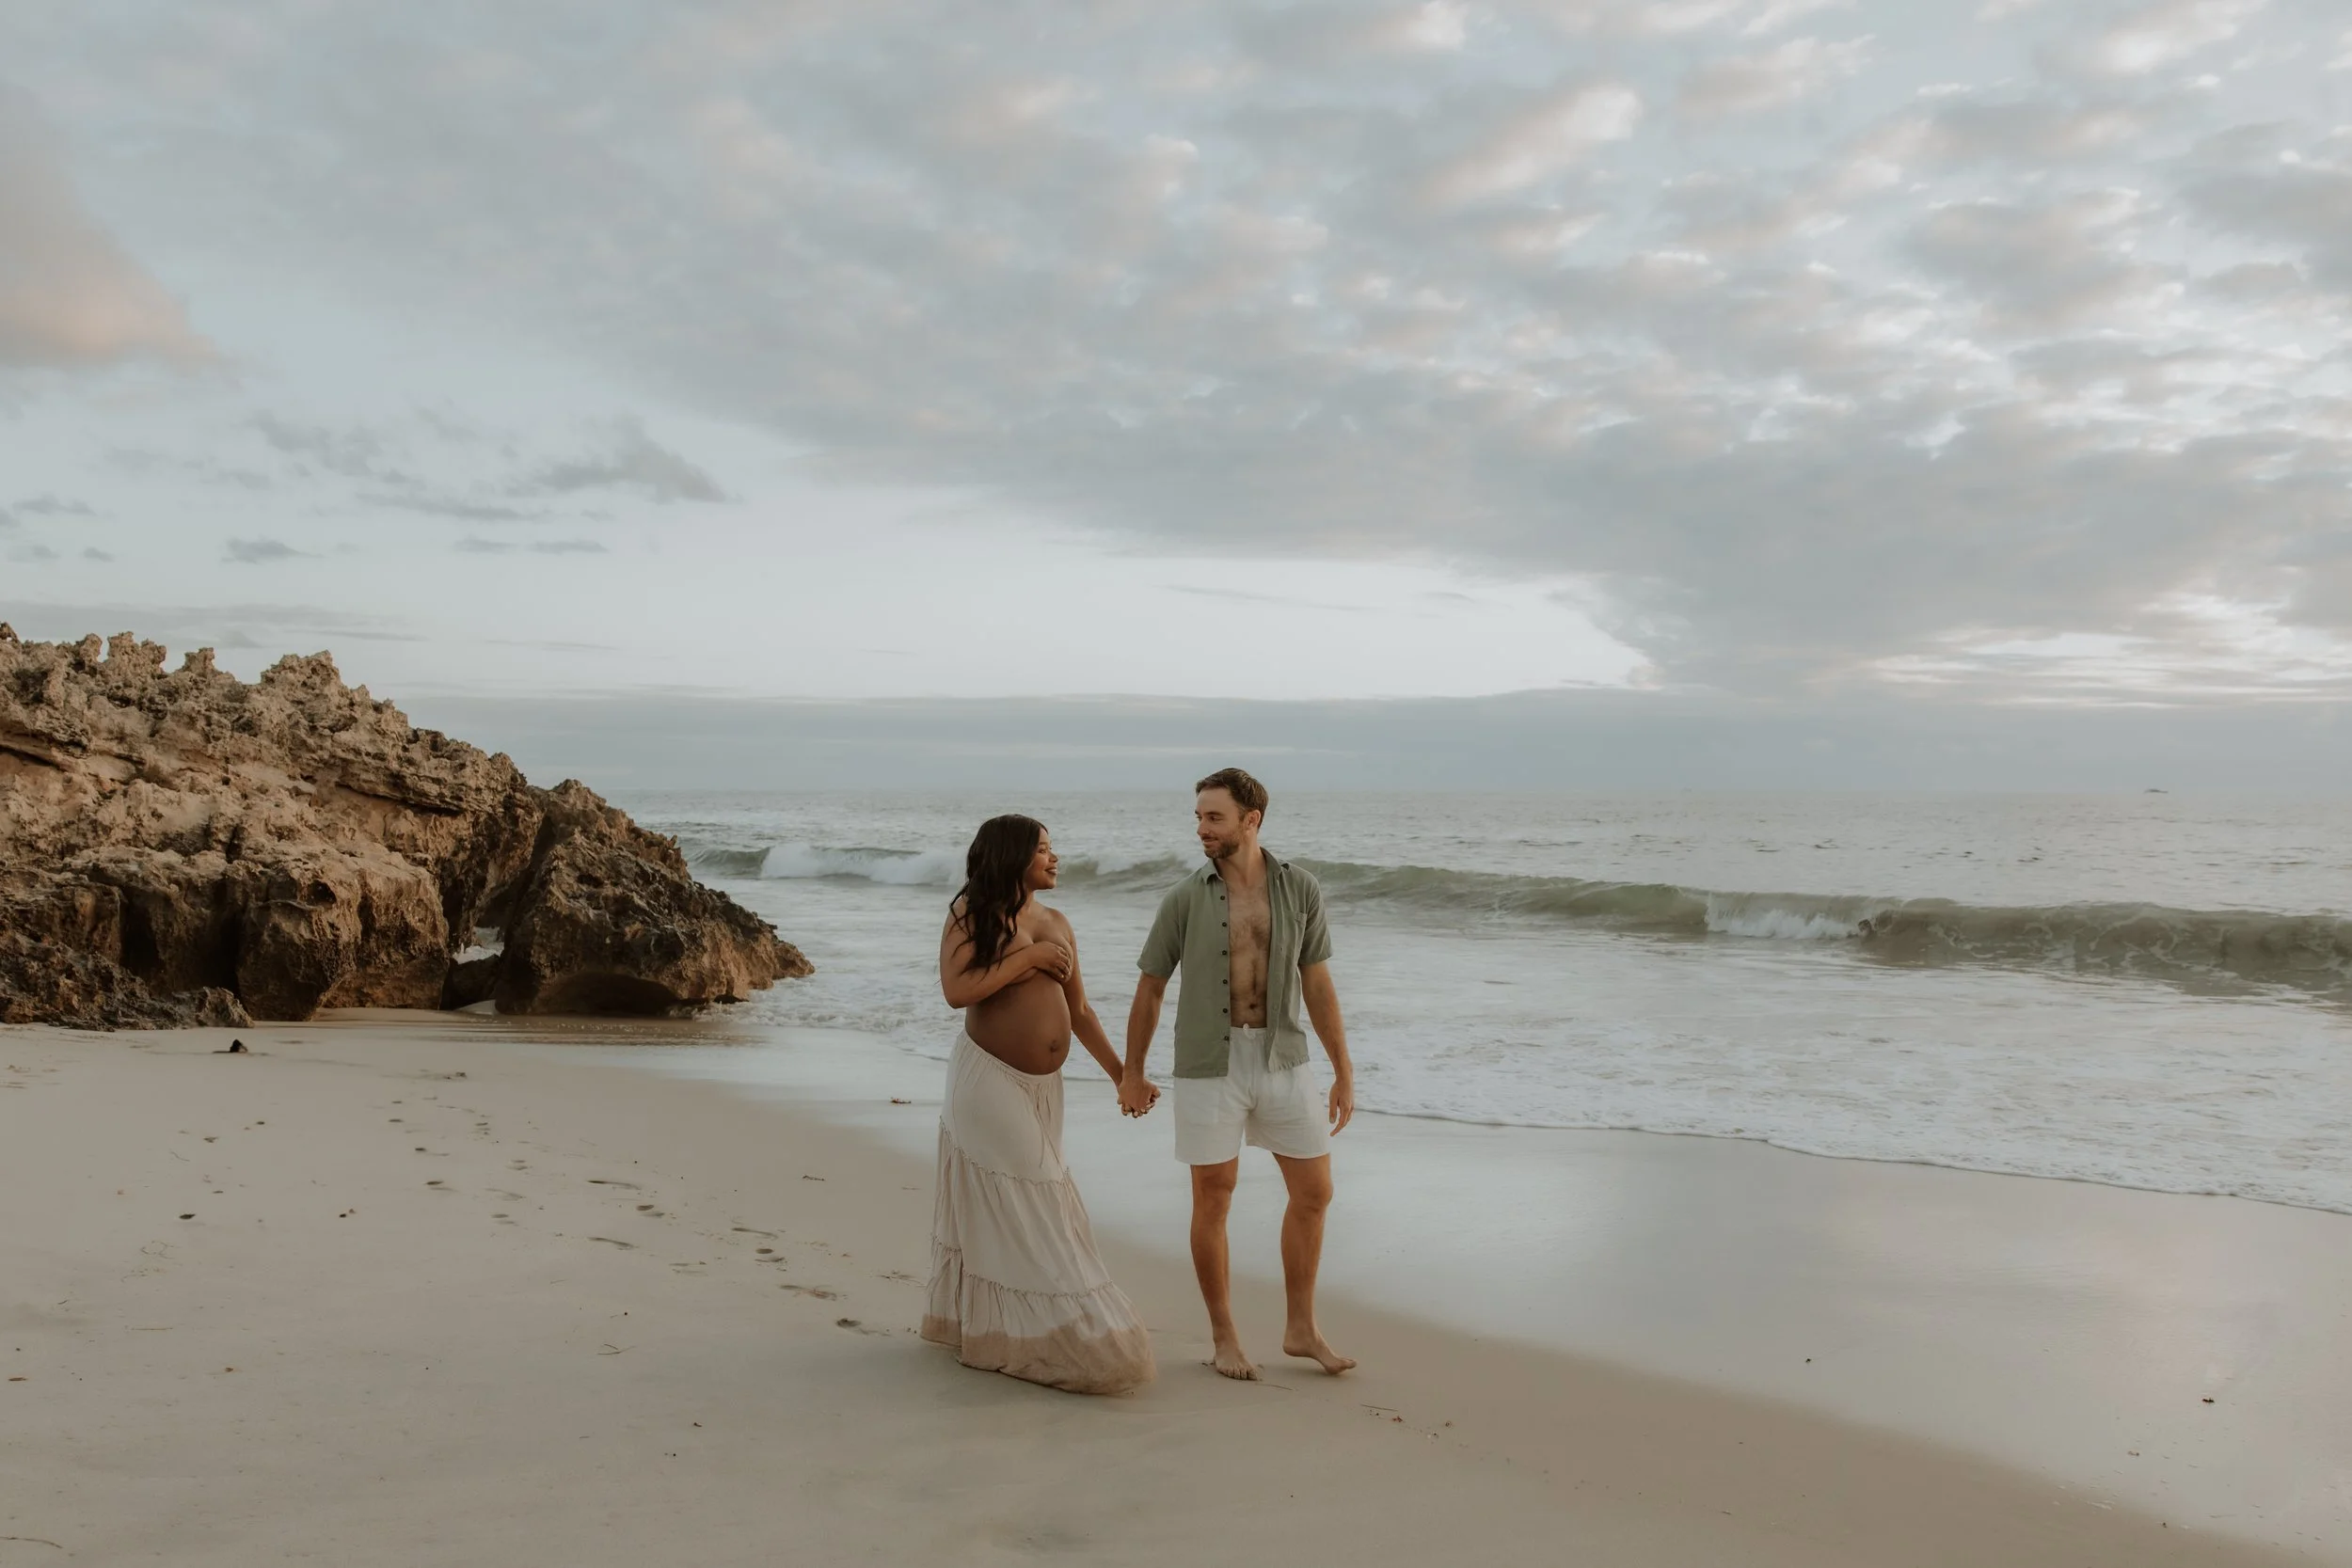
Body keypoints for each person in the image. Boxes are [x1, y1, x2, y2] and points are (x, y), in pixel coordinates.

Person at [1121, 768, 1358, 1381]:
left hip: (1284, 1057)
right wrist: (1132, 1071)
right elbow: (1150, 987)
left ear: (1251, 820)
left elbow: (1318, 982)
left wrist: (1342, 1069)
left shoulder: (1299, 888)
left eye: (1214, 817)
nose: (1202, 828)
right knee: (1214, 1196)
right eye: (1198, 817)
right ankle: (1224, 1335)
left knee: (1315, 1191)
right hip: (1208, 1062)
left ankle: (1301, 1327)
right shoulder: (1183, 898)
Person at [921, 815, 1158, 1395]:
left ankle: (1022, 1330)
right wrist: (1026, 961)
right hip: (988, 1080)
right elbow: (957, 991)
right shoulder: (971, 914)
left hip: (1044, 1090)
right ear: (1013, 856)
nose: (1055, 859)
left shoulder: (1056, 921)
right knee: (1036, 1201)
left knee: (1037, 1200)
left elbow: (1079, 1013)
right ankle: (1053, 1334)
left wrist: (1124, 1076)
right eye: (1045, 850)